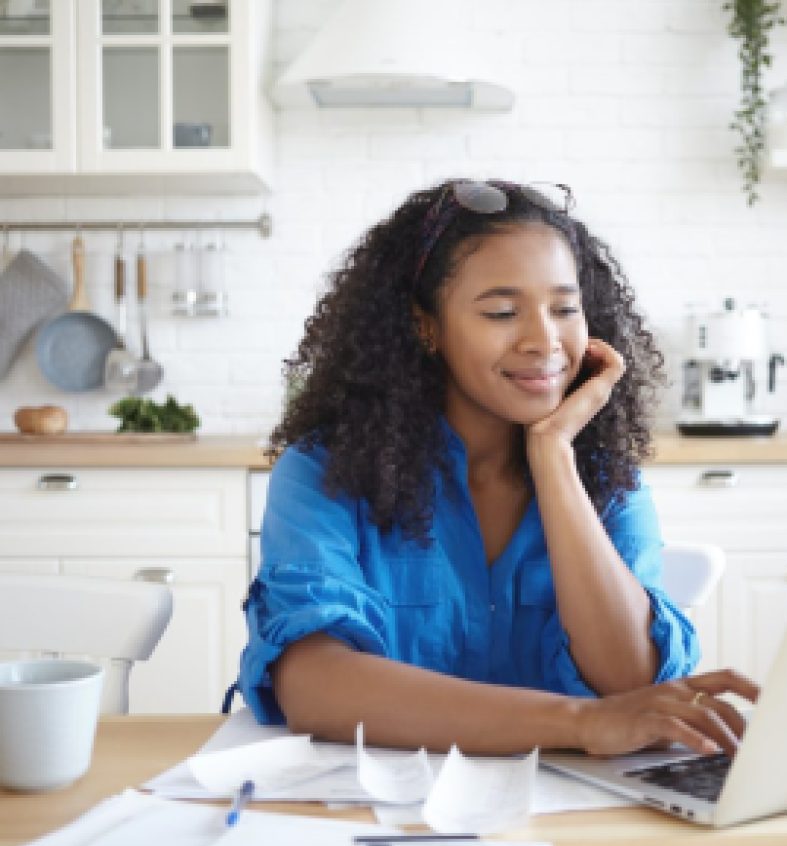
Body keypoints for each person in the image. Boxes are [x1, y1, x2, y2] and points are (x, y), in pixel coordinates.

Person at [238, 179, 758, 757]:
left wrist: (554, 456)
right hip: (378, 812)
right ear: (426, 326)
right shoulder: (323, 473)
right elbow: (316, 687)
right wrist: (580, 722)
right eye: (503, 312)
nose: (544, 341)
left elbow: (632, 681)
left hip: (578, 820)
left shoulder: (606, 478)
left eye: (564, 308)